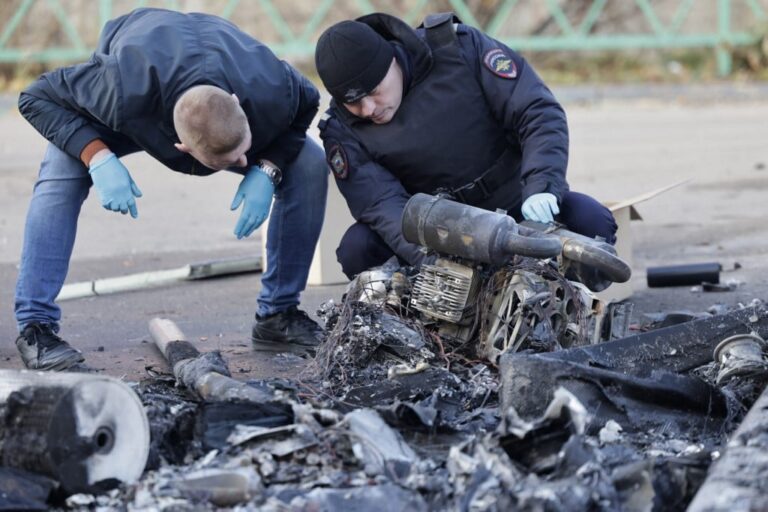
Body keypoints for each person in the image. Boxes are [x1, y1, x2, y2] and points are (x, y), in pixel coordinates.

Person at [14, 8, 328, 370]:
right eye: (232, 161)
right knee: (63, 166)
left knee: (308, 162)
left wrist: (268, 168)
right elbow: (35, 98)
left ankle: (278, 315)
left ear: (238, 104)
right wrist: (97, 156)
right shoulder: (116, 87)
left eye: (245, 151)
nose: (244, 162)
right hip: (140, 94)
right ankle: (36, 326)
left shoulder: (272, 87)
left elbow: (308, 101)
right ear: (181, 149)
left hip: (223, 64)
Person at [314, 12, 618, 279]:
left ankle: (567, 307)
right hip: (437, 230)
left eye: (374, 91)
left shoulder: (457, 49)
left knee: (593, 222)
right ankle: (416, 318)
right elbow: (383, 204)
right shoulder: (342, 129)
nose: (368, 109)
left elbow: (536, 111)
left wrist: (542, 185)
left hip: (516, 206)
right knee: (358, 248)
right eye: (353, 102)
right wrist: (434, 261)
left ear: (392, 59)